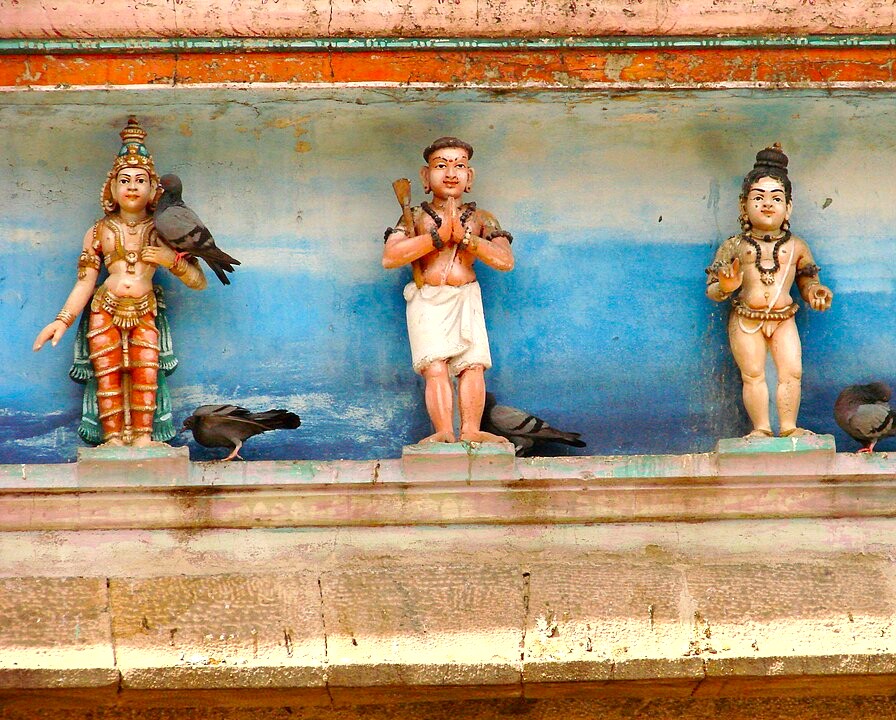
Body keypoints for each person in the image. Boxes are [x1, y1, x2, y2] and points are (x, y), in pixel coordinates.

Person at [33, 117, 207, 447]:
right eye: (124, 180)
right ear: (112, 188)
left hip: (144, 309)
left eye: (140, 180)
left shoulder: (163, 229)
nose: (131, 186)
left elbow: (199, 281)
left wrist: (171, 261)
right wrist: (61, 321)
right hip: (105, 308)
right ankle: (112, 440)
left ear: (154, 189)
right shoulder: (99, 231)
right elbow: (84, 283)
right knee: (107, 375)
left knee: (146, 373)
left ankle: (143, 439)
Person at [383, 137, 514, 444]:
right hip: (428, 297)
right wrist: (437, 238)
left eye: (459, 166)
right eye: (441, 166)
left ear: (470, 177)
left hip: (465, 294)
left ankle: (470, 430)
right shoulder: (413, 217)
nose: (451, 173)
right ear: (425, 176)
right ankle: (443, 430)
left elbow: (505, 260)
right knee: (435, 366)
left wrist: (468, 240)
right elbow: (391, 256)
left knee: (473, 365)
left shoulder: (482, 219)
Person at [706, 143, 833, 438]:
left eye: (776, 198)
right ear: (744, 206)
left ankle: (789, 427)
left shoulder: (796, 245)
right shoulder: (735, 245)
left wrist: (815, 292)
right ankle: (761, 428)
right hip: (745, 319)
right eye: (758, 197)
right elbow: (713, 289)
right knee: (752, 375)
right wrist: (726, 286)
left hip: (783, 317)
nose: (767, 205)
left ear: (788, 207)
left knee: (792, 373)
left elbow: (807, 280)